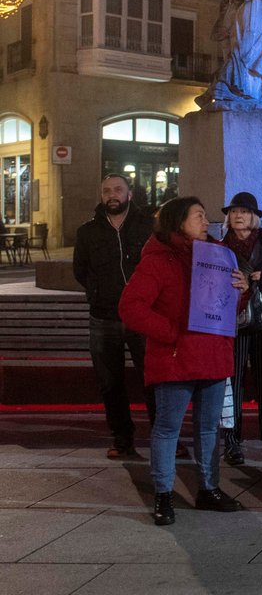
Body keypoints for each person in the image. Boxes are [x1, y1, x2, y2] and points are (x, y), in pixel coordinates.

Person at [118, 196, 249, 526]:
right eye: (199, 217)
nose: (207, 222)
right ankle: (163, 493)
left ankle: (209, 489)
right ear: (178, 222)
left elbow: (224, 308)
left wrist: (241, 290)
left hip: (213, 357)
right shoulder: (159, 261)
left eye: (206, 217)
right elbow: (130, 307)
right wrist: (172, 333)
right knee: (168, 430)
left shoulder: (219, 256)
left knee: (208, 429)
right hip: (175, 359)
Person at [72, 173, 157, 459]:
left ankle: (163, 435)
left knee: (153, 379)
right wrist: (98, 293)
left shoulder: (149, 227)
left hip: (142, 316)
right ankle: (122, 438)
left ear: (129, 194)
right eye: (107, 191)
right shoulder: (88, 232)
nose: (112, 195)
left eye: (118, 189)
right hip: (103, 318)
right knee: (110, 383)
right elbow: (80, 271)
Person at [220, 192, 262, 465]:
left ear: (254, 216)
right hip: (232, 322)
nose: (238, 216)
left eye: (243, 211)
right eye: (233, 212)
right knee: (232, 384)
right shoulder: (219, 247)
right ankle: (232, 441)